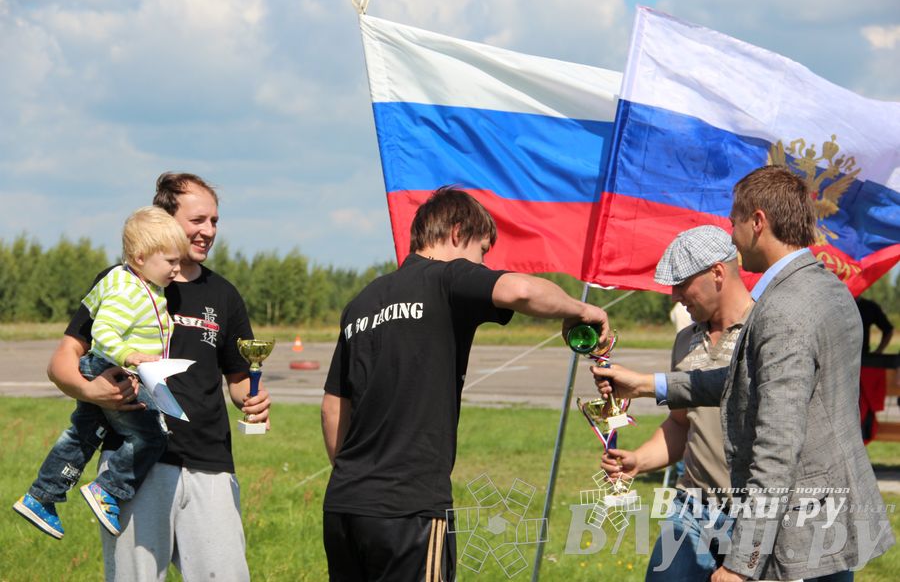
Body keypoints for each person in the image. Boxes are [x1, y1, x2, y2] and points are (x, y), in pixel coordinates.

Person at [594, 165, 894, 581]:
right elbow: (755, 384)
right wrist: (651, 385)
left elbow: (777, 445)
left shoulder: (784, 309)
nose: (731, 237)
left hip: (800, 529)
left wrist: (740, 563)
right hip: (828, 516)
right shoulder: (827, 288)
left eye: (733, 222)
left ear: (757, 222)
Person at [320, 186, 610, 581]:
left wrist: (358, 482)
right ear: (457, 233)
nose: (483, 263)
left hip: (344, 506)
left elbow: (333, 408)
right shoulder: (448, 277)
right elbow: (521, 290)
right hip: (409, 509)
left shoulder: (362, 302)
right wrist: (582, 309)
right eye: (483, 251)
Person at [45, 173, 270, 581]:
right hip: (134, 464)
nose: (208, 231)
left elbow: (238, 380)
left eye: (214, 221)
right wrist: (91, 390)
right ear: (165, 220)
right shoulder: (120, 281)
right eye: (197, 220)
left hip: (210, 463)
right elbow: (62, 361)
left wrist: (252, 399)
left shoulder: (224, 294)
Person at [14, 206, 189, 539]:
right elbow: (103, 331)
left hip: (103, 367)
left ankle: (41, 497)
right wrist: (129, 355)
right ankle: (108, 488)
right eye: (171, 261)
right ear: (140, 258)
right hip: (112, 370)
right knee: (151, 436)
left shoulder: (135, 283)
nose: (177, 269)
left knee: (83, 434)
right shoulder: (129, 292)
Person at [601, 225, 753, 580]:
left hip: (754, 516)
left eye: (682, 284)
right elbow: (681, 424)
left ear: (717, 273)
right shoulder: (685, 340)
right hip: (692, 507)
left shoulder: (764, 332)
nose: (674, 296)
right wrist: (639, 460)